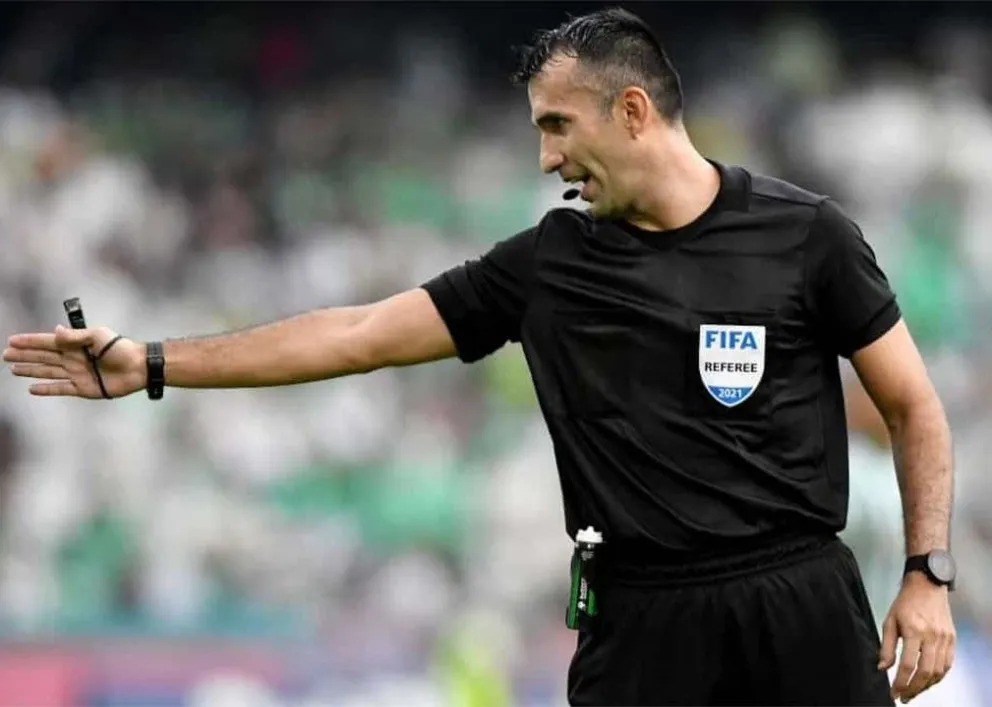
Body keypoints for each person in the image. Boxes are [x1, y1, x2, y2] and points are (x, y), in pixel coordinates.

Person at [3, 8, 956, 706]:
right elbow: (359, 334)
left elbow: (914, 408)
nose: (546, 159)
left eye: (557, 125)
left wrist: (926, 574)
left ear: (632, 111)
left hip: (799, 603)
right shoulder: (549, 264)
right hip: (642, 621)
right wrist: (152, 362)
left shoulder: (807, 234)